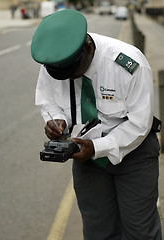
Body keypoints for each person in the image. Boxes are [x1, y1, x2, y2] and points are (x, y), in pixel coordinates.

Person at [31, 9, 162, 240]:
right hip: (88, 158)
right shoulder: (56, 61)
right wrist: (57, 120)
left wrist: (99, 147)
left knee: (140, 232)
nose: (70, 80)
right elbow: (49, 100)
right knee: (98, 232)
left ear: (88, 49)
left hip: (134, 154)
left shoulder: (129, 64)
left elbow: (139, 124)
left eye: (74, 74)